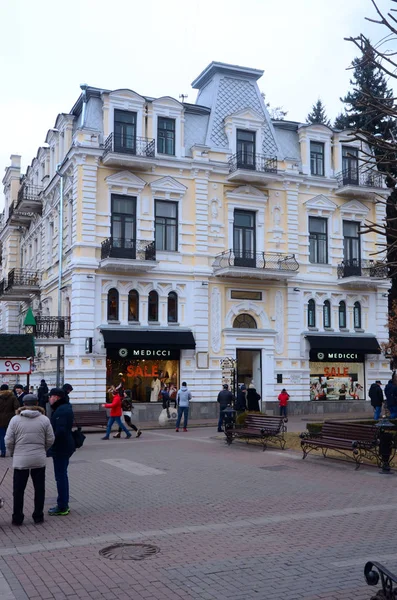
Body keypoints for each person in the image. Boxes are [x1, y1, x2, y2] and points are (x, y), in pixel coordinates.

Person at [5, 394, 54, 526]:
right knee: (39, 489)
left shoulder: (15, 420)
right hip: (38, 459)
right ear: (37, 403)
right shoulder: (44, 419)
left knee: (18, 490)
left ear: (23, 404)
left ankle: (17, 517)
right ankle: (38, 516)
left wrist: (14, 452)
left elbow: (8, 440)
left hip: (21, 460)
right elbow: (50, 439)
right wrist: (43, 449)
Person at [47, 387, 76, 516]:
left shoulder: (61, 411)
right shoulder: (63, 408)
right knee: (62, 475)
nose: (49, 399)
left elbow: (60, 431)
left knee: (60, 476)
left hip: (61, 448)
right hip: (64, 446)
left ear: (56, 397)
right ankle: (63, 504)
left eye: (50, 396)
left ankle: (63, 505)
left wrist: (50, 442)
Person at [0, 384, 20, 458]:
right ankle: (12, 452)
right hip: (10, 419)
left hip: (0, 420)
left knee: (1, 436)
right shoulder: (13, 397)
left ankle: (3, 452)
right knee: (11, 435)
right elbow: (17, 407)